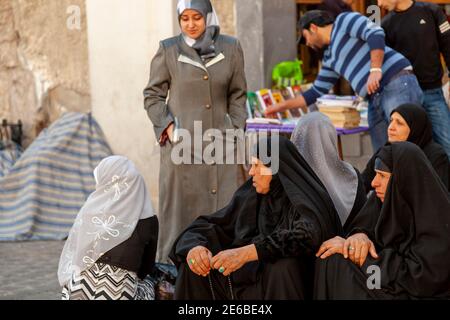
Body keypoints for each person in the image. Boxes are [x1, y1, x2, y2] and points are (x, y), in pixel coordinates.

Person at [169, 136, 343, 300]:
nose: (251, 172)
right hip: (246, 281)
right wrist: (195, 248)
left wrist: (247, 253)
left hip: (288, 284)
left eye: (258, 166)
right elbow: (213, 225)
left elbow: (307, 235)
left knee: (283, 267)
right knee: (193, 268)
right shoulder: (251, 195)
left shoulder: (304, 198)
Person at [143, 0, 248, 262]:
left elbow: (238, 93)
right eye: (185, 18)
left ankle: (223, 267)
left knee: (224, 207)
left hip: (222, 144)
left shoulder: (230, 47)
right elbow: (153, 95)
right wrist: (167, 125)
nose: (191, 24)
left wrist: (235, 126)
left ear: (208, 17)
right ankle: (172, 271)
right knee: (179, 211)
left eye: (197, 18)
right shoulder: (168, 50)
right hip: (182, 146)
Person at [265, 10, 423, 152]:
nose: (307, 44)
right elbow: (315, 92)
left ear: (313, 28)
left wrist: (375, 69)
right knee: (384, 156)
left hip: (396, 83)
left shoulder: (344, 20)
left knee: (407, 146)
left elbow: (375, 32)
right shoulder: (329, 58)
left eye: (305, 37)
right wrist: (278, 107)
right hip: (374, 98)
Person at [314, 142, 450, 299]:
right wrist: (360, 236)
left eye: (383, 176)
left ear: (403, 180)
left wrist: (357, 254)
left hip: (409, 290)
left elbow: (421, 279)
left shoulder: (436, 218)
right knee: (331, 259)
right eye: (375, 174)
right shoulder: (384, 200)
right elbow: (364, 225)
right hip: (382, 276)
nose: (373, 183)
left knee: (339, 266)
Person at [58, 156, 159, 300]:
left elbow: (76, 256)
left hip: (79, 290)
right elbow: (146, 268)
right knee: (149, 282)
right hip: (119, 292)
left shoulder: (89, 211)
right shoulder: (148, 220)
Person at [380, 0, 450, 159]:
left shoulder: (431, 10)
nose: (379, 3)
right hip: (404, 97)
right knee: (406, 150)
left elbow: (448, 44)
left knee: (447, 145)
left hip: (433, 92)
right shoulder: (385, 24)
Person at [291, 112, 367, 232]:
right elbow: (363, 220)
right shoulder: (351, 175)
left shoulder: (291, 176)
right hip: (348, 243)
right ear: (331, 138)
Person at [361, 103, 449, 192]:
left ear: (415, 128)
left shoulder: (436, 156)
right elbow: (363, 183)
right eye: (391, 121)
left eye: (399, 123)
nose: (391, 127)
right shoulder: (386, 152)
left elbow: (438, 196)